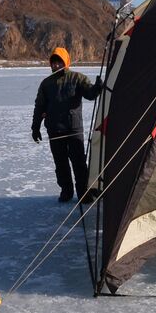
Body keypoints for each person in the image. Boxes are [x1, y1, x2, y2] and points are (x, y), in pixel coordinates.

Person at [31, 46, 103, 202]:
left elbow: (90, 94)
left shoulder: (77, 78)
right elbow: (39, 106)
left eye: (59, 62)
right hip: (55, 131)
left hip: (73, 129)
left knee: (79, 163)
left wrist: (97, 88)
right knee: (61, 164)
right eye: (53, 62)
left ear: (66, 62)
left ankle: (84, 193)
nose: (56, 65)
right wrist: (35, 127)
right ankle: (66, 191)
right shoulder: (46, 84)